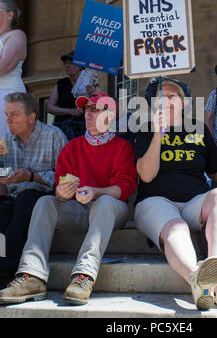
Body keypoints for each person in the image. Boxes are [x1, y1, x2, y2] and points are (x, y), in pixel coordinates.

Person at [134, 77, 217, 311]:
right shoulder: (144, 131)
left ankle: (216, 276)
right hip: (155, 202)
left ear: (184, 103)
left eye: (171, 96)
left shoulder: (199, 129)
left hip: (195, 201)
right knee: (177, 228)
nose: (165, 101)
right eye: (159, 97)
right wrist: (157, 135)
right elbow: (146, 175)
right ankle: (200, 279)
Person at [0, 92, 138, 306]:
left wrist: (96, 191)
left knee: (105, 202)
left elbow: (125, 188)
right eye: (87, 109)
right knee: (44, 202)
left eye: (96, 109)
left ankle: (84, 275)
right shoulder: (72, 147)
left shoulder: (123, 147)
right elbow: (59, 183)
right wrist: (61, 193)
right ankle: (32, 275)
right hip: (78, 210)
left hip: (110, 209)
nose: (89, 114)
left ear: (110, 116)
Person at [0, 93, 68, 288]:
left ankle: (6, 269)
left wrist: (31, 176)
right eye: (6, 114)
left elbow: (66, 178)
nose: (8, 120)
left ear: (32, 117)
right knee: (3, 207)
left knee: (27, 197)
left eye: (14, 114)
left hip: (47, 199)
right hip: (15, 197)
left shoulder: (54, 135)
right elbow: (4, 170)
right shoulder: (5, 140)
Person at [0, 0, 27, 138]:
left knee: (6, 143)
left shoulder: (16, 35)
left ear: (10, 15)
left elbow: (6, 65)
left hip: (6, 96)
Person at [47, 51, 86, 140]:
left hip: (83, 128)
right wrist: (70, 111)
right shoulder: (61, 84)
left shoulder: (89, 83)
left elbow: (101, 104)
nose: (67, 66)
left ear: (80, 66)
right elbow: (49, 107)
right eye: (65, 63)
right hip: (62, 127)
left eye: (71, 63)